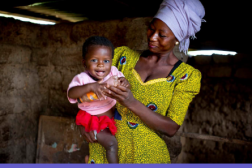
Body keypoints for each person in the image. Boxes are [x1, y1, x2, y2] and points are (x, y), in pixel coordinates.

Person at [79, 0, 205, 163]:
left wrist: (130, 102)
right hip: (104, 151)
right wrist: (85, 121)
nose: (152, 37)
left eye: (162, 35)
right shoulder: (122, 57)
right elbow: (88, 88)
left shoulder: (186, 76)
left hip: (145, 156)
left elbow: (171, 127)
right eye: (151, 28)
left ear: (177, 39)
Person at [67, 36, 130, 163]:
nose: (101, 65)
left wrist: (125, 82)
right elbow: (71, 93)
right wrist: (90, 86)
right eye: (94, 60)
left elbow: (126, 83)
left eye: (106, 61)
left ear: (111, 62)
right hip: (92, 120)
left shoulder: (113, 72)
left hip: (110, 119)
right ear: (84, 63)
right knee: (111, 144)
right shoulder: (83, 78)